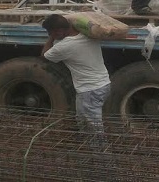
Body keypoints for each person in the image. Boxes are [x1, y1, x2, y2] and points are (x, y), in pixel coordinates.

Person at [41, 14, 110, 144]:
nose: (51, 35)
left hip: (89, 90)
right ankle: (88, 150)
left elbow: (44, 56)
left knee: (94, 131)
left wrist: (50, 39)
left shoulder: (65, 46)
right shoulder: (86, 35)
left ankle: (103, 161)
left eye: (51, 32)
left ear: (59, 31)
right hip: (103, 84)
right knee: (83, 121)